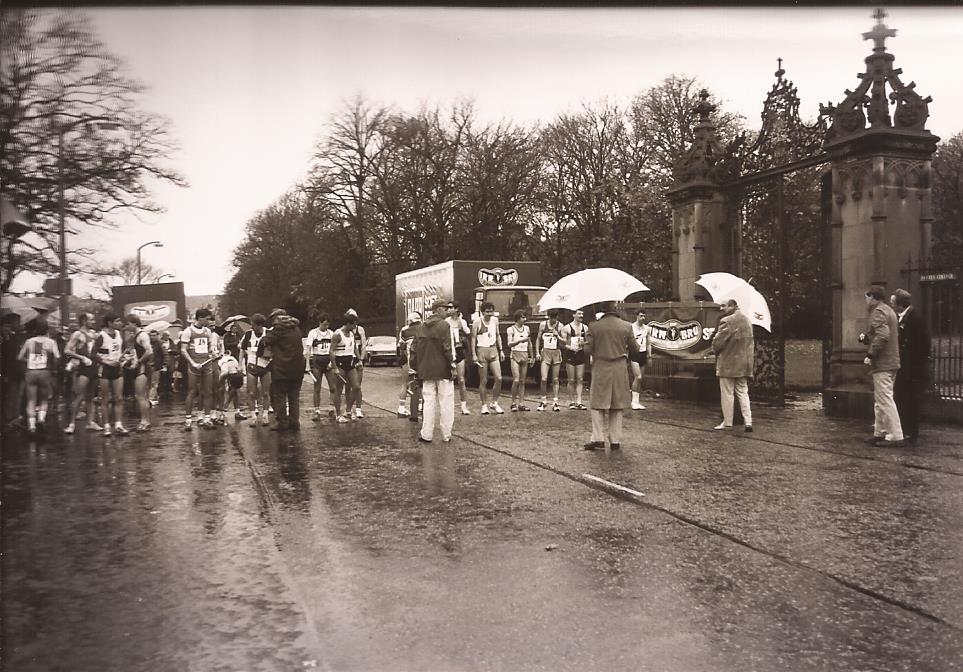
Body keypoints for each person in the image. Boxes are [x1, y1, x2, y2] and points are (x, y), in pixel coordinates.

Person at [583, 301, 638, 451]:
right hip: (619, 368)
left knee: (597, 404)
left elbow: (587, 350)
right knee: (617, 405)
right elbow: (635, 349)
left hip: (601, 367)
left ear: (602, 310)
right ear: (615, 310)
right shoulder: (626, 326)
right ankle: (615, 440)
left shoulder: (594, 326)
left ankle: (598, 439)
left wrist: (583, 343)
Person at [859, 286, 904, 445]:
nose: (866, 300)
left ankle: (895, 435)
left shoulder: (878, 312)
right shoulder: (889, 311)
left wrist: (871, 354)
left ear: (873, 297)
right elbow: (883, 334)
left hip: (882, 363)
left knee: (884, 399)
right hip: (891, 362)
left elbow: (883, 336)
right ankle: (880, 432)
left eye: (867, 297)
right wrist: (866, 337)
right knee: (881, 400)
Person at [410, 298, 455, 443]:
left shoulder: (421, 327)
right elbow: (448, 349)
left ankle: (426, 434)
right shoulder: (445, 326)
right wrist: (452, 366)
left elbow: (414, 350)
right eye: (445, 308)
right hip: (443, 370)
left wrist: (417, 367)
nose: (448, 311)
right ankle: (446, 434)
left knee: (428, 402)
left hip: (426, 370)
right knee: (446, 401)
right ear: (438, 310)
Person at [891, 289, 930, 445]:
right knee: (901, 397)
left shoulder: (915, 318)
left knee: (911, 400)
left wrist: (914, 364)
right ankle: (905, 430)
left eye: (893, 303)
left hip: (913, 369)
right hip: (905, 367)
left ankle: (911, 433)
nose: (891, 306)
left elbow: (924, 344)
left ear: (901, 305)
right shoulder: (903, 317)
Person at [711, 299, 754, 432]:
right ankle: (748, 422)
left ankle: (727, 422)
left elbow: (718, 343)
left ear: (732, 306)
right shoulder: (747, 320)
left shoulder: (726, 321)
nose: (721, 308)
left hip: (728, 363)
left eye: (724, 306)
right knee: (743, 392)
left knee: (727, 393)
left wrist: (714, 348)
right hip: (744, 362)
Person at [262, 308, 305, 431]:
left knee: (279, 396)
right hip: (297, 368)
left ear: (277, 318)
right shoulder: (296, 328)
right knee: (294, 396)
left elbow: (264, 341)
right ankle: (294, 422)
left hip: (281, 369)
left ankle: (282, 423)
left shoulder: (279, 330)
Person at [17, 318, 60, 436]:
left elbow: (19, 357)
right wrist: (54, 368)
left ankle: (31, 426)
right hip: (44, 372)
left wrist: (29, 361)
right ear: (47, 329)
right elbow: (57, 358)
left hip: (31, 372)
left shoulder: (29, 341)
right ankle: (41, 419)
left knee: (31, 400)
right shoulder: (51, 342)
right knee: (44, 399)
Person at [92, 313, 129, 436]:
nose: (120, 323)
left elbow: (122, 350)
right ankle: (107, 426)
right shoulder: (101, 336)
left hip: (117, 369)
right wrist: (106, 362)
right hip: (105, 370)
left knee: (118, 398)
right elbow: (93, 354)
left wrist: (124, 359)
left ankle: (118, 424)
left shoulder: (119, 334)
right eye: (117, 321)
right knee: (105, 399)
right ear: (110, 323)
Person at [63, 313, 100, 434]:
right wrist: (81, 357)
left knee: (90, 397)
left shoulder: (94, 334)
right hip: (84, 368)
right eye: (91, 319)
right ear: (84, 321)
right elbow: (67, 350)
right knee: (80, 396)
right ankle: (71, 424)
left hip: (94, 367)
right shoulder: (77, 334)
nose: (93, 321)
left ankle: (90, 422)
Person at [180, 308, 217, 430]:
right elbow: (183, 350)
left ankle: (207, 418)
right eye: (206, 319)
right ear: (200, 318)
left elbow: (210, 346)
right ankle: (188, 420)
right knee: (192, 391)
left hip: (206, 364)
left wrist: (213, 351)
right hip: (194, 365)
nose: (208, 321)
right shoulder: (188, 331)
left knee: (208, 391)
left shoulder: (207, 331)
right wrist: (192, 363)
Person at [470, 301, 505, 415]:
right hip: (482, 350)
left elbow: (498, 335)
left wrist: (501, 350)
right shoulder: (477, 322)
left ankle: (494, 402)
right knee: (484, 380)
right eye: (487, 312)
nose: (490, 314)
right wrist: (474, 354)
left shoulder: (495, 320)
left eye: (491, 311)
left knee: (499, 378)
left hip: (493, 350)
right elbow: (473, 339)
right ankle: (484, 405)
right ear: (482, 312)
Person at [239, 313, 271, 426]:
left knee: (266, 393)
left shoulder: (269, 333)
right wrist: (240, 365)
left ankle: (265, 415)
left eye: (253, 324)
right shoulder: (248, 334)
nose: (251, 326)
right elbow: (242, 349)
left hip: (265, 366)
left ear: (259, 325)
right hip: (252, 366)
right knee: (252, 393)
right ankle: (253, 416)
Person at [329, 312, 362, 424]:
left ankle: (348, 409)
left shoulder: (352, 334)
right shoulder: (337, 334)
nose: (355, 327)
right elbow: (332, 351)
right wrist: (334, 367)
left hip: (350, 362)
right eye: (353, 325)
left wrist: (359, 359)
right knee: (339, 389)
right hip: (340, 363)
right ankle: (339, 415)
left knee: (356, 387)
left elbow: (354, 347)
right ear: (348, 324)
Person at [125, 314, 154, 432]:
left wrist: (139, 362)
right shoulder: (135, 336)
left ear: (134, 323)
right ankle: (145, 420)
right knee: (142, 396)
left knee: (141, 396)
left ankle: (145, 421)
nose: (126, 326)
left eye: (128, 324)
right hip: (139, 368)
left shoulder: (142, 335)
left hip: (142, 369)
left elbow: (149, 351)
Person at [306, 313, 336, 422]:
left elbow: (333, 350)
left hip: (328, 360)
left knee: (333, 387)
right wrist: (307, 364)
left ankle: (331, 408)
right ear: (319, 323)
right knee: (317, 387)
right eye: (324, 325)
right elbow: (308, 349)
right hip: (317, 361)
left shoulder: (332, 334)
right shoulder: (313, 333)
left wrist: (332, 363)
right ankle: (317, 411)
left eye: (327, 325)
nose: (326, 327)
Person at [535, 309, 564, 412]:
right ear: (548, 317)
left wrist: (558, 336)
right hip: (546, 352)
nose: (553, 320)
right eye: (552, 318)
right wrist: (537, 352)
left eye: (555, 318)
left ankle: (555, 402)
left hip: (556, 352)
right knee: (544, 378)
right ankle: (543, 401)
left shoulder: (560, 326)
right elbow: (538, 339)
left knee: (555, 379)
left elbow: (565, 341)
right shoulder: (543, 325)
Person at [447, 301, 472, 415]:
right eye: (448, 308)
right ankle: (448, 405)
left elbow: (468, 332)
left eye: (451, 307)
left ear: (457, 309)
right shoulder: (446, 322)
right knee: (448, 379)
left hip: (459, 350)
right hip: (448, 351)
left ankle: (463, 406)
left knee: (461, 380)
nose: (449, 310)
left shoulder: (462, 321)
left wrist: (461, 320)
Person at [1, 313, 25, 430]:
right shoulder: (5, 340)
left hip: (16, 371)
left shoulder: (15, 337)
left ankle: (15, 418)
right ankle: (8, 419)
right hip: (8, 372)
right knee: (10, 396)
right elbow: (6, 358)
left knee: (16, 395)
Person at [397, 311, 422, 420]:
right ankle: (420, 406)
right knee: (422, 385)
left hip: (409, 360)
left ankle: (402, 407)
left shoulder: (404, 330)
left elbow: (401, 347)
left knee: (406, 383)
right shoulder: (424, 329)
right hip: (422, 361)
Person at [561, 308, 589, 410]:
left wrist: (584, 343)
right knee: (571, 379)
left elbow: (589, 341)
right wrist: (570, 347)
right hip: (570, 354)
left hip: (580, 354)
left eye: (582, 314)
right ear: (574, 315)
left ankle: (579, 401)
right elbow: (562, 344)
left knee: (580, 379)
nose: (581, 316)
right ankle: (572, 401)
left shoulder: (585, 328)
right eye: (579, 314)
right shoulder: (567, 328)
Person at [506, 309, 533, 411]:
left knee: (522, 381)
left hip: (524, 354)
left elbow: (529, 343)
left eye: (525, 317)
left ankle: (521, 403)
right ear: (517, 318)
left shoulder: (527, 328)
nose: (524, 319)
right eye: (523, 317)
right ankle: (513, 403)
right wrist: (520, 340)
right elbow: (509, 344)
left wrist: (532, 356)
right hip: (515, 354)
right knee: (516, 379)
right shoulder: (511, 329)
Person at [629, 308, 653, 411]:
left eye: (644, 316)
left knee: (641, 378)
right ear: (637, 316)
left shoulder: (647, 328)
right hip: (634, 354)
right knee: (637, 377)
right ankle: (633, 402)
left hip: (643, 354)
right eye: (641, 316)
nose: (643, 318)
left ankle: (637, 401)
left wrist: (649, 356)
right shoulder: (631, 327)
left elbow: (648, 343)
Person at [346, 308, 367, 419]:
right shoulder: (343, 331)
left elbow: (363, 345)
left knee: (357, 386)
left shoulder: (360, 330)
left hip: (357, 359)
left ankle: (358, 408)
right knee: (348, 386)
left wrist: (361, 359)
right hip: (347, 359)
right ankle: (348, 409)